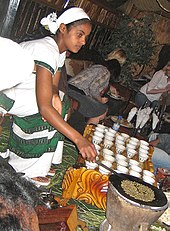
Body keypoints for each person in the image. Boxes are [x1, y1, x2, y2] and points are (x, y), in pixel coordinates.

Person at [0, 7, 97, 186]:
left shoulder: (58, 51)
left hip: (24, 90)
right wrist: (78, 139)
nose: (83, 41)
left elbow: (53, 84)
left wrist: (55, 95)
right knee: (45, 112)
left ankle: (43, 161)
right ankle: (26, 168)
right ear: (62, 28)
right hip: (7, 93)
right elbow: (44, 106)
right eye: (80, 34)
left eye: (86, 37)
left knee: (62, 103)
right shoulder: (45, 50)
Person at [68, 59, 121, 125]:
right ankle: (87, 132)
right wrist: (100, 100)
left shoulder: (98, 67)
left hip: (69, 88)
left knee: (96, 106)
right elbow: (93, 88)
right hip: (75, 93)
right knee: (103, 109)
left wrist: (109, 87)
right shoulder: (106, 72)